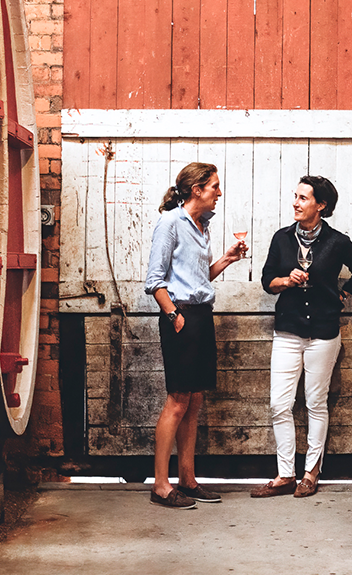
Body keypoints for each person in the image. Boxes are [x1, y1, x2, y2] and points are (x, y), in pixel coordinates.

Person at [251, 175, 352, 498]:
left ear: (321, 205)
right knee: (280, 403)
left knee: (316, 403)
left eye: (303, 198)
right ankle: (285, 474)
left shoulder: (337, 242)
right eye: (295, 196)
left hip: (323, 332)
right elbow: (267, 281)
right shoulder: (282, 239)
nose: (295, 202)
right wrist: (285, 281)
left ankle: (311, 473)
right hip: (288, 330)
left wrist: (347, 293)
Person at [144, 162, 246, 509]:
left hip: (201, 315)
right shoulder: (170, 223)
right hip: (181, 316)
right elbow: (154, 281)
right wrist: (173, 315)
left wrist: (227, 260)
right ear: (196, 190)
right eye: (214, 186)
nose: (219, 192)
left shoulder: (202, 226)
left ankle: (187, 480)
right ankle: (160, 485)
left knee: (195, 399)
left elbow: (199, 279)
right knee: (177, 400)